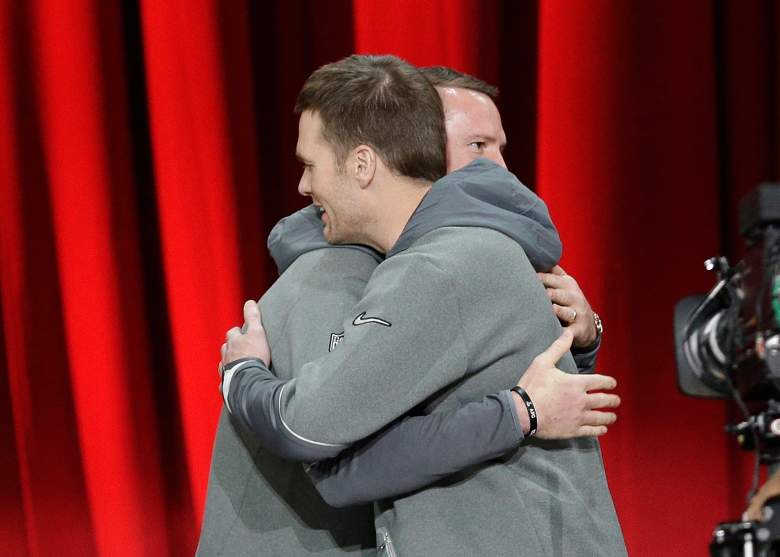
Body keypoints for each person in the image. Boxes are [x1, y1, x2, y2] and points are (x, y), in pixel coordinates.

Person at [218, 54, 625, 556]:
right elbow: (341, 461)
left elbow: (318, 439)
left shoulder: (447, 262)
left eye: (309, 165)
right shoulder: (359, 270)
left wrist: (239, 373)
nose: (496, 170)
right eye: (476, 145)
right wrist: (521, 410)